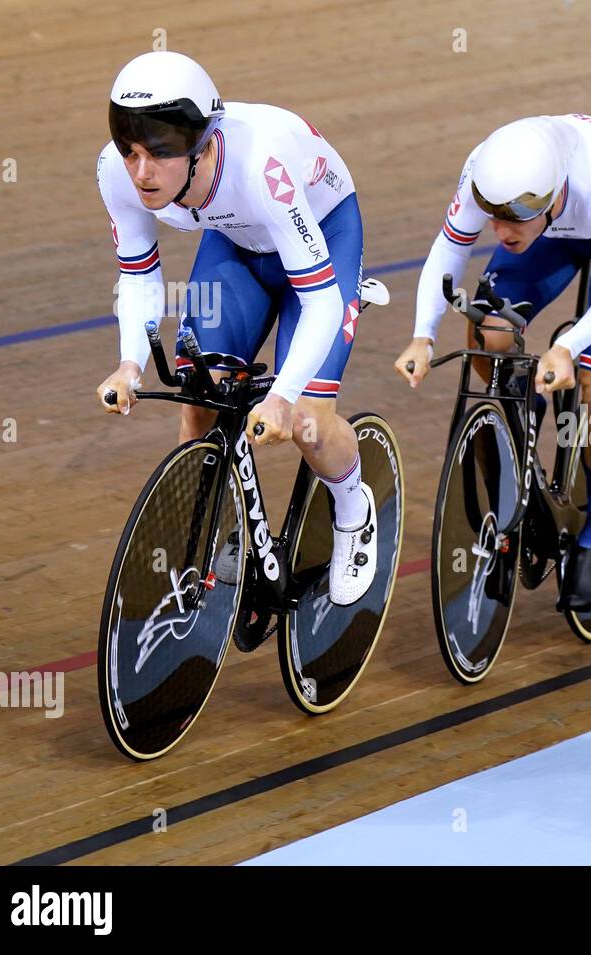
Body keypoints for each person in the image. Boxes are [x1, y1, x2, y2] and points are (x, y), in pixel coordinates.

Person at [94, 50, 377, 605]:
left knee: (307, 424)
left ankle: (353, 508)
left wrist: (283, 396)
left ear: (203, 147)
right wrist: (130, 361)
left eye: (159, 154)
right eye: (131, 152)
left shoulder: (260, 167)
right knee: (200, 398)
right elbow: (137, 274)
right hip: (240, 240)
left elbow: (319, 301)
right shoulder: (117, 171)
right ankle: (225, 535)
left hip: (321, 234)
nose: (142, 172)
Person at [396, 114, 591, 610]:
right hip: (555, 231)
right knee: (490, 334)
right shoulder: (484, 167)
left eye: (511, 220)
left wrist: (569, 346)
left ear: (546, 199)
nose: (498, 231)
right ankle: (523, 413)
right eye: (492, 217)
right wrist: (423, 335)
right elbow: (449, 248)